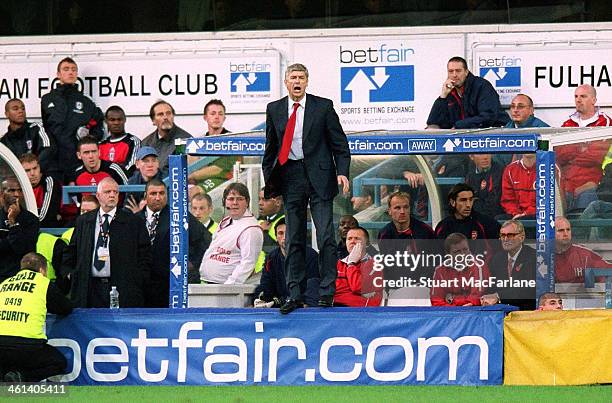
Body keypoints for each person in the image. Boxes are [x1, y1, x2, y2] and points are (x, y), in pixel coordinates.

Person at [262, 63, 351, 313]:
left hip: (320, 177)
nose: (297, 81)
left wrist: (342, 172)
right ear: (286, 82)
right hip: (291, 176)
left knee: (325, 235)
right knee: (294, 238)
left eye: (301, 77)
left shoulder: (323, 106)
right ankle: (295, 293)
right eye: (293, 77)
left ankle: (326, 291)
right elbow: (270, 148)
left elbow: (340, 143)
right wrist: (270, 181)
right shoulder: (275, 109)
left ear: (307, 81)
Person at [61, 177, 151, 308]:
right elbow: (72, 251)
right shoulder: (84, 220)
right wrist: (70, 274)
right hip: (89, 287)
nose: (112, 195)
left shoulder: (133, 222)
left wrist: (138, 280)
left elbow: (145, 254)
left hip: (122, 288)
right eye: (108, 192)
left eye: (115, 192)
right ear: (98, 195)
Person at [0, 252, 72, 382]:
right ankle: (21, 377)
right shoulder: (42, 283)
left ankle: (7, 377)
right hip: (27, 346)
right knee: (58, 363)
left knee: (6, 362)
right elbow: (65, 308)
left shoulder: (4, 284)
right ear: (41, 269)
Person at [138, 179, 210, 307]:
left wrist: (192, 263)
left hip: (169, 286)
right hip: (140, 286)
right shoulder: (135, 219)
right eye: (153, 194)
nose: (158, 197)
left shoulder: (180, 216)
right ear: (145, 196)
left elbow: (205, 240)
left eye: (161, 193)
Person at [40, 57, 105, 182]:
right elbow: (45, 129)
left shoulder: (86, 102)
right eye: (66, 69)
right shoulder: (47, 99)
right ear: (58, 74)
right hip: (54, 161)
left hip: (77, 161)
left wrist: (89, 137)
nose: (70, 72)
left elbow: (98, 127)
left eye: (74, 70)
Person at [557, 86, 611, 212]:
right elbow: (559, 155)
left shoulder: (606, 123)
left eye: (583, 96)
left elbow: (595, 156)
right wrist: (581, 147)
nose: (578, 100)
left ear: (594, 100)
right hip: (566, 185)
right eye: (576, 96)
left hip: (591, 184)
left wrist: (572, 149)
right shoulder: (567, 124)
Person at [199, 182, 263, 285]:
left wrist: (229, 287)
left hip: (226, 289)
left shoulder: (251, 229)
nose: (235, 203)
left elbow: (247, 263)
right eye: (231, 199)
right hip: (209, 284)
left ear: (247, 202)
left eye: (240, 199)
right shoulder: (225, 221)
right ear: (225, 202)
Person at [426, 56, 509, 129]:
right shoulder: (449, 92)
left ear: (466, 72)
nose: (454, 75)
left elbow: (488, 116)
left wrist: (459, 126)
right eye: (451, 71)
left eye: (458, 71)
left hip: (493, 136)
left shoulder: (481, 86)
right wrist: (443, 96)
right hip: (462, 137)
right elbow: (432, 122)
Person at [254, 219, 319, 308]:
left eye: (288, 233)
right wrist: (259, 299)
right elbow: (266, 285)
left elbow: (314, 285)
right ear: (276, 237)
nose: (285, 237)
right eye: (280, 233)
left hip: (305, 309)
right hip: (282, 308)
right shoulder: (271, 258)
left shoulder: (311, 255)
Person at [483, 220, 536, 310]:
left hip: (526, 311)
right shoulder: (497, 259)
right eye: (502, 235)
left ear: (522, 237)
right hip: (501, 312)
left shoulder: (533, 257)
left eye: (510, 235)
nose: (505, 239)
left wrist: (498, 296)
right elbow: (491, 286)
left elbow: (527, 289)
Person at [188, 99, 238, 192]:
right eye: (213, 113)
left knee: (193, 192)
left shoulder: (231, 140)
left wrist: (191, 175)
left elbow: (218, 169)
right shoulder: (199, 140)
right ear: (205, 117)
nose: (217, 117)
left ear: (224, 118)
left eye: (220, 114)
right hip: (200, 180)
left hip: (225, 180)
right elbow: (191, 162)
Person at [430, 233, 490, 307]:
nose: (463, 254)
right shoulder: (440, 270)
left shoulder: (479, 266)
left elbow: (476, 299)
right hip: (449, 314)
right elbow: (436, 301)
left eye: (465, 249)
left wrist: (453, 300)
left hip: (473, 313)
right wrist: (454, 309)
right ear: (448, 254)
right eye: (457, 252)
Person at [3, 98, 56, 177]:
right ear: (7, 114)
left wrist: (30, 171)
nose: (21, 111)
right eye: (15, 109)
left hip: (40, 178)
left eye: (23, 108)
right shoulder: (4, 141)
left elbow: (48, 150)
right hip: (17, 182)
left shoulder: (37, 128)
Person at [0, 177, 39, 282]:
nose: (17, 194)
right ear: (2, 193)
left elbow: (22, 249)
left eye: (19, 190)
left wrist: (13, 223)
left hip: (19, 277)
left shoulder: (31, 220)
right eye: (11, 190)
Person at [141, 100, 192, 178]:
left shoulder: (186, 140)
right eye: (160, 114)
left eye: (168, 113)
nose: (165, 117)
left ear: (173, 116)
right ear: (153, 121)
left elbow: (186, 172)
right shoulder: (146, 143)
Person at [334, 227, 382, 307]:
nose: (352, 241)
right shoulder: (338, 264)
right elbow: (333, 291)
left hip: (364, 312)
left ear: (367, 244)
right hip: (336, 310)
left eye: (357, 238)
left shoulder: (376, 264)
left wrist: (351, 264)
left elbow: (358, 287)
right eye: (349, 239)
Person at [435, 183, 501, 241]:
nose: (468, 205)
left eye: (471, 200)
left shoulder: (486, 223)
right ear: (453, 202)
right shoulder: (444, 227)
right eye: (463, 200)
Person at [554, 216, 610, 283]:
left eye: (568, 230)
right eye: (561, 230)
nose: (566, 234)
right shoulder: (543, 257)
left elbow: (608, 271)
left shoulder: (585, 255)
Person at [20, 153, 62, 227]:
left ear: (39, 167)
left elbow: (47, 216)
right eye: (27, 170)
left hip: (47, 230)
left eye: (35, 168)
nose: (33, 173)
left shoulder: (49, 182)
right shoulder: (16, 185)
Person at [98, 105, 141, 174]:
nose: (116, 123)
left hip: (123, 183)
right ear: (106, 121)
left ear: (124, 120)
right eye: (112, 120)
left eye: (119, 119)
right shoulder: (101, 145)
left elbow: (131, 168)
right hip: (103, 182)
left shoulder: (133, 142)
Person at [465, 153, 504, 218]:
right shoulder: (469, 171)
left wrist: (476, 201)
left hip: (493, 216)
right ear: (471, 156)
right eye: (480, 154)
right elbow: (468, 199)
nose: (485, 157)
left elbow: (493, 204)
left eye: (488, 153)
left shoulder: (499, 172)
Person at [125, 146, 164, 212]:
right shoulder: (133, 182)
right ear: (137, 164)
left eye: (153, 160)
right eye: (146, 161)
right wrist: (139, 213)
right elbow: (127, 210)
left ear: (158, 164)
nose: (150, 165)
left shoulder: (166, 179)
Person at [500, 153, 536, 219]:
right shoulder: (510, 170)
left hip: (538, 214)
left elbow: (548, 201)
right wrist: (516, 213)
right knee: (499, 219)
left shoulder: (547, 168)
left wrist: (526, 213)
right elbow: (507, 201)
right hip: (515, 214)